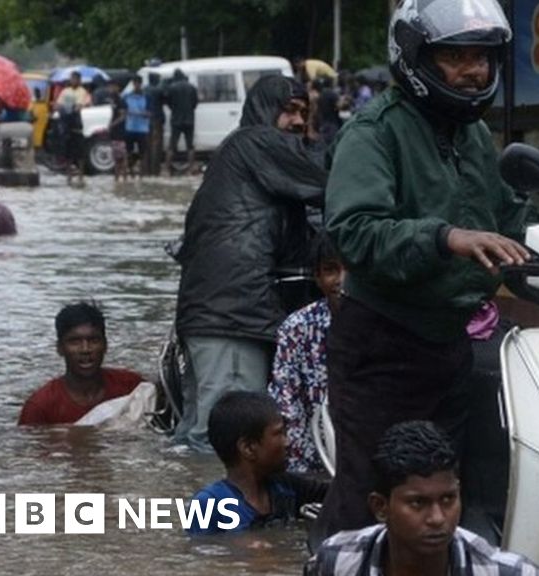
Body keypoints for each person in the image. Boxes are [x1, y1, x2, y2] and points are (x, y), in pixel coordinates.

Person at [314, 0, 536, 544]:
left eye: (483, 57)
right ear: (415, 58)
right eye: (456, 56)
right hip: (383, 346)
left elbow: (507, 219)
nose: (475, 70)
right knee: (373, 502)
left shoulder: (474, 136)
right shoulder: (375, 132)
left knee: (440, 499)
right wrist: (443, 237)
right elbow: (355, 231)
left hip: (450, 345)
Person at [173, 75, 327, 450]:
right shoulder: (254, 143)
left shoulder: (244, 156)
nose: (297, 122)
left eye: (303, 113)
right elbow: (330, 178)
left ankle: (186, 502)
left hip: (221, 316)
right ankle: (218, 510)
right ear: (263, 110)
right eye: (288, 111)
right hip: (232, 318)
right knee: (230, 443)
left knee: (201, 437)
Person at [306, 420, 539, 576]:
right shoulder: (336, 562)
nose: (437, 518)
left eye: (448, 499)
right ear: (381, 507)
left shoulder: (509, 573)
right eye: (418, 503)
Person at [187, 390, 328, 536]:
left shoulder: (287, 487)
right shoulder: (207, 504)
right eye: (279, 434)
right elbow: (200, 551)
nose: (287, 442)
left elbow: (338, 493)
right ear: (248, 448)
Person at [267, 233, 344, 473]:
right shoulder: (297, 327)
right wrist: (303, 473)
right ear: (317, 277)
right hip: (316, 458)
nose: (342, 280)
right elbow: (288, 405)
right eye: (331, 270)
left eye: (352, 270)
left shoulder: (387, 324)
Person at [19, 301, 144, 425]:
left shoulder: (132, 387)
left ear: (105, 345)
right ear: (60, 348)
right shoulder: (40, 408)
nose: (85, 349)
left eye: (93, 340)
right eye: (75, 341)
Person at [55, 71, 91, 186]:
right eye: (72, 79)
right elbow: (58, 104)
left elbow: (85, 104)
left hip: (78, 123)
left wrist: (78, 107)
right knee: (68, 151)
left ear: (79, 80)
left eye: (75, 79)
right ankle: (69, 176)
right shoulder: (65, 91)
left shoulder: (83, 92)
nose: (73, 81)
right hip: (66, 124)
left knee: (80, 151)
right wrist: (61, 107)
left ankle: (81, 175)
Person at [163, 69, 198, 176]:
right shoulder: (192, 87)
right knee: (190, 146)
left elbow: (168, 102)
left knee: (172, 145)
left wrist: (174, 109)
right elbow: (195, 103)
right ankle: (190, 169)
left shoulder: (172, 88)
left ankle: (167, 170)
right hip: (189, 120)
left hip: (176, 120)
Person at [123, 76, 150, 179]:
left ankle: (141, 175)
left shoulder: (146, 97)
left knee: (142, 154)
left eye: (138, 83)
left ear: (140, 84)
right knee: (128, 152)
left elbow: (150, 112)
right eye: (134, 83)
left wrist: (142, 113)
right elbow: (123, 111)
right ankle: (130, 173)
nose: (136, 85)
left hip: (142, 129)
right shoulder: (126, 96)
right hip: (129, 128)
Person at [108, 87, 128, 182]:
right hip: (114, 133)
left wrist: (112, 124)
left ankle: (123, 179)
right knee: (116, 158)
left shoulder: (121, 102)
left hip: (120, 133)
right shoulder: (113, 103)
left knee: (122, 157)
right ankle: (117, 179)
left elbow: (123, 116)